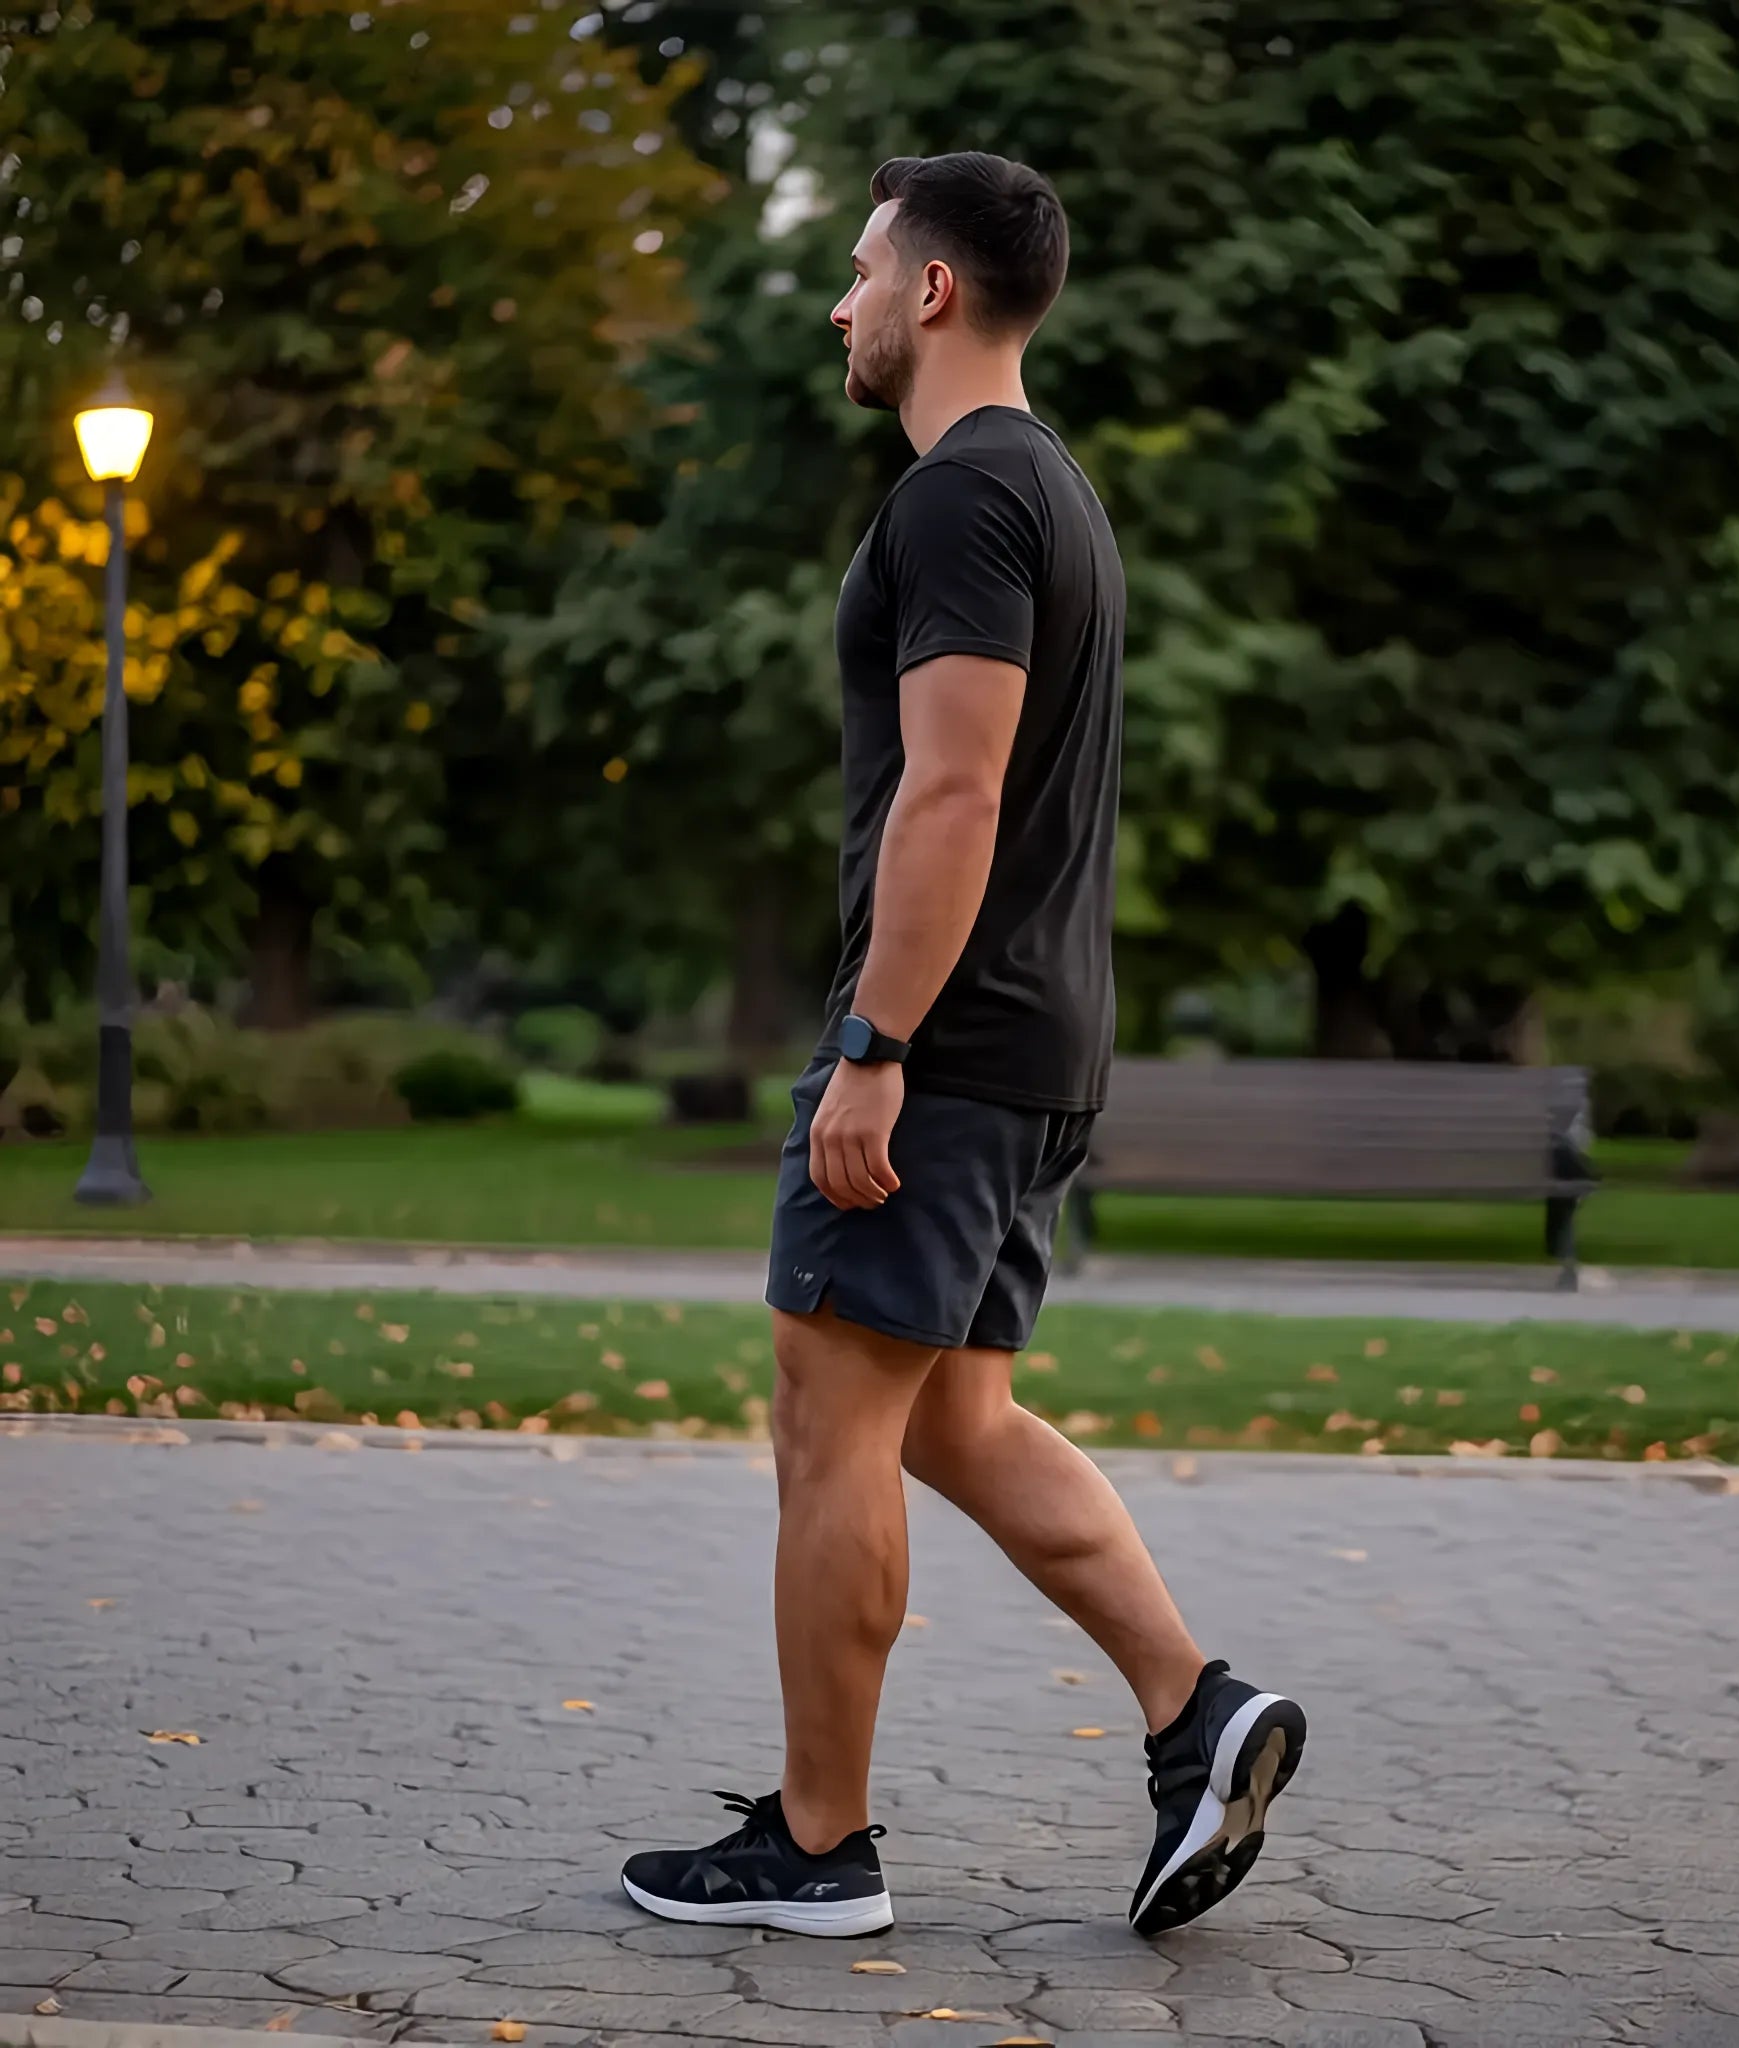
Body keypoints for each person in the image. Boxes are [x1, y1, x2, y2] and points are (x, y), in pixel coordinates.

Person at [621, 151, 1305, 1943]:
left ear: (933, 291)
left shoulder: (959, 501)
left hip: (949, 1046)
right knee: (959, 1419)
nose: (839, 305)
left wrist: (874, 1040)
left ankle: (820, 1848)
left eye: (859, 272)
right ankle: (1197, 1712)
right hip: (1033, 1042)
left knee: (825, 1413)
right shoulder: (1053, 490)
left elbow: (955, 788)